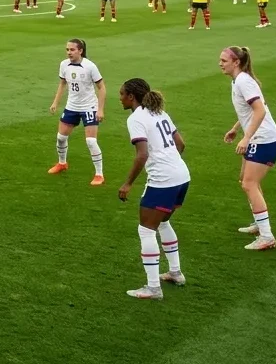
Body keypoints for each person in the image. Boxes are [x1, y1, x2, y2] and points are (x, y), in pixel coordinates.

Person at [117, 78, 189, 299]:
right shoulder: (160, 113)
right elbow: (181, 144)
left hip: (163, 180)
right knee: (163, 222)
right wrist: (170, 162)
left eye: (122, 94)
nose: (120, 98)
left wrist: (128, 183)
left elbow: (142, 154)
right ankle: (175, 272)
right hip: (182, 176)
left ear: (131, 97)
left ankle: (153, 288)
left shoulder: (136, 118)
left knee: (146, 230)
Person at [220, 47, 276, 251]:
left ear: (236, 62)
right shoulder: (239, 80)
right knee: (246, 181)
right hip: (258, 137)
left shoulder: (243, 82)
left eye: (224, 61)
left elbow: (260, 110)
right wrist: (236, 128)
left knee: (249, 183)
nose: (220, 64)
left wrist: (246, 138)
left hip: (264, 139)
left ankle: (267, 236)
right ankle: (259, 223)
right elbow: (250, 110)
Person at [47, 38, 106, 185]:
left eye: (72, 50)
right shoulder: (64, 65)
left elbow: (101, 87)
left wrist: (100, 110)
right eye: (67, 49)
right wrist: (55, 102)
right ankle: (62, 163)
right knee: (61, 137)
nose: (69, 52)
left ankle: (99, 174)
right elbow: (62, 84)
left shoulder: (90, 66)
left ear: (80, 51)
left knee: (91, 141)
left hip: (89, 107)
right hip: (72, 106)